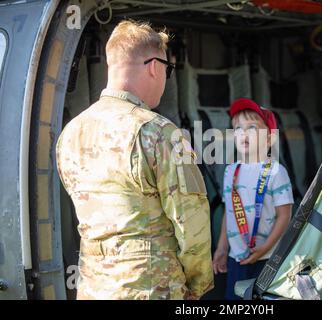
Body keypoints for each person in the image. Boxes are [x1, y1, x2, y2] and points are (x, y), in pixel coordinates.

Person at [56, 20, 213, 300]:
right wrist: (198, 284)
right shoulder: (158, 132)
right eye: (168, 69)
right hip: (151, 287)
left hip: (93, 287)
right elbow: (191, 221)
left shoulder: (71, 133)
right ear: (154, 67)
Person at [212, 98, 294, 300]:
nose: (243, 133)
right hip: (236, 258)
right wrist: (222, 248)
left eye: (252, 128)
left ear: (269, 139)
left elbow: (285, 216)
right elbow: (229, 213)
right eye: (238, 128)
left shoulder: (276, 171)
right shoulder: (231, 171)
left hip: (267, 257)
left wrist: (265, 248)